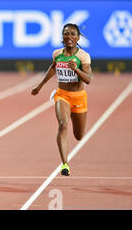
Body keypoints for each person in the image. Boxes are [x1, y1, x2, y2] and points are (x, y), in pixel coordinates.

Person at [31, 23, 92, 176]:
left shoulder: (83, 56)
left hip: (78, 97)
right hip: (62, 95)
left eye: (72, 34)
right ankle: (65, 164)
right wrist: (40, 85)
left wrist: (76, 69)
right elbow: (53, 68)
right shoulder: (57, 54)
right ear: (62, 37)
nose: (69, 37)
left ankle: (68, 155)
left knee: (79, 136)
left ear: (78, 38)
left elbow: (88, 79)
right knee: (63, 124)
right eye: (66, 34)